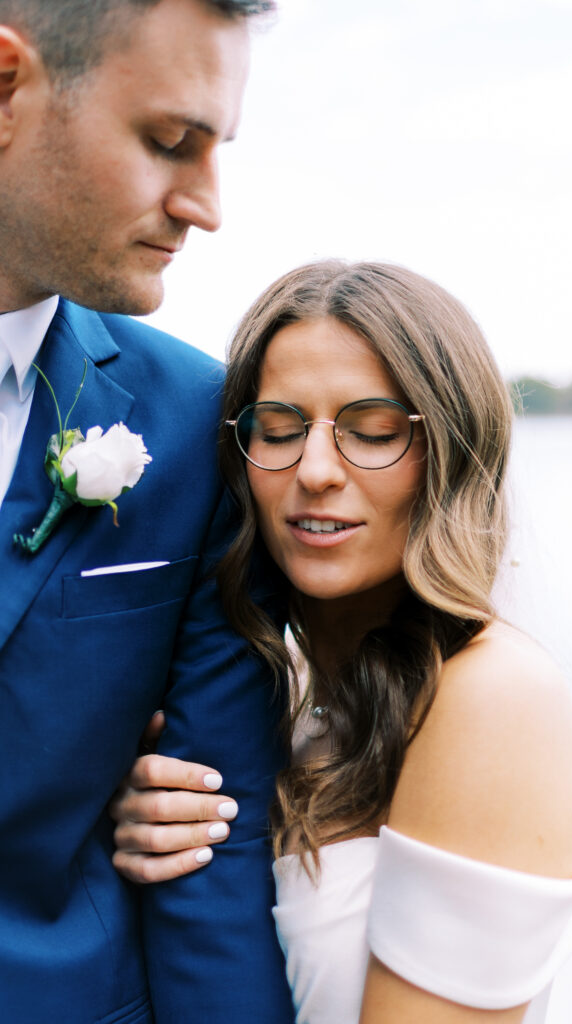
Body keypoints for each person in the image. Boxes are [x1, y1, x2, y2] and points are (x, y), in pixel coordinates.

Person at [111, 259, 572, 1023]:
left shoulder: (491, 693)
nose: (313, 470)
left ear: (450, 451)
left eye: (369, 433)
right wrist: (148, 813)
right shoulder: (286, 697)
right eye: (277, 430)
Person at [0, 2, 294, 1021]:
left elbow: (213, 849)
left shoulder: (197, 426)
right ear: (6, 88)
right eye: (171, 142)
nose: (206, 205)